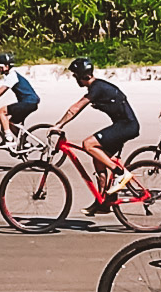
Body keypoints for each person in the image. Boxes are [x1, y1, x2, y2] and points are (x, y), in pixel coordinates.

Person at [52, 57, 141, 212]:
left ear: (82, 76)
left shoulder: (97, 87)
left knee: (88, 144)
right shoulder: (97, 87)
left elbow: (76, 108)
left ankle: (120, 173)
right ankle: (104, 201)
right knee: (98, 160)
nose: (74, 78)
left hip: (127, 126)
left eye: (75, 75)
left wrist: (59, 124)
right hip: (123, 125)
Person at [0, 53, 40, 151]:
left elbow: (2, 90)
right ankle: (25, 144)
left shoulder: (12, 75)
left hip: (29, 102)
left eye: (0, 67)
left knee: (1, 112)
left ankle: (8, 139)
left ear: (7, 66)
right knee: (11, 123)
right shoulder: (11, 75)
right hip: (30, 102)